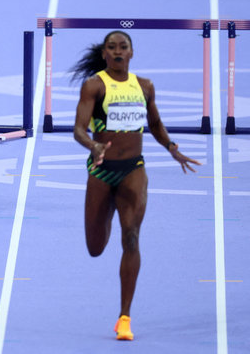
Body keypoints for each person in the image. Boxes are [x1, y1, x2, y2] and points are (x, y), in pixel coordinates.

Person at [71, 31, 201, 340]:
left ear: (132, 52)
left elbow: (154, 123)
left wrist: (172, 148)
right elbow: (78, 128)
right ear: (105, 53)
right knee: (95, 248)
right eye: (112, 47)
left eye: (123, 47)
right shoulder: (94, 86)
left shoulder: (144, 86)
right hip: (102, 172)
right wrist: (92, 145)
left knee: (130, 237)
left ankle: (124, 317)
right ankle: (106, 218)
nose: (117, 51)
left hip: (133, 170)